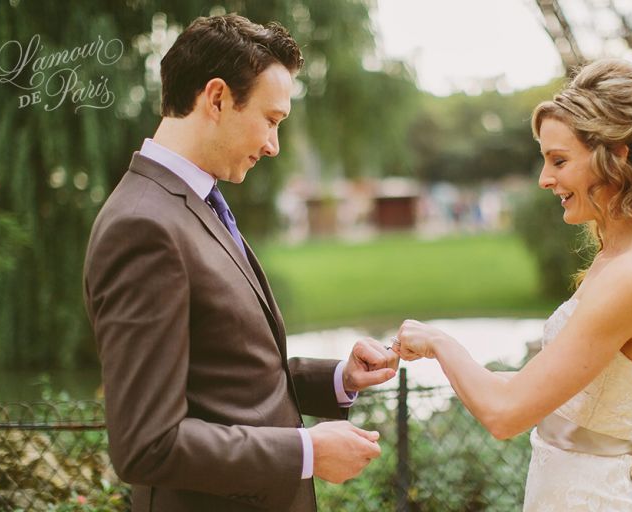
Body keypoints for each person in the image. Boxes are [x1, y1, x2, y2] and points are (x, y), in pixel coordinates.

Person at [83, 14, 398, 512]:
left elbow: (224, 376)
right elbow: (146, 445)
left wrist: (339, 377)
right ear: (216, 98)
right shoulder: (143, 226)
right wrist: (307, 452)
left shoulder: (193, 202)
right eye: (271, 120)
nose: (273, 146)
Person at [392, 58, 632, 512]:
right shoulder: (625, 259)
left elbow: (505, 416)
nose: (545, 179)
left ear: (616, 156)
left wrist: (440, 342)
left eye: (559, 161)